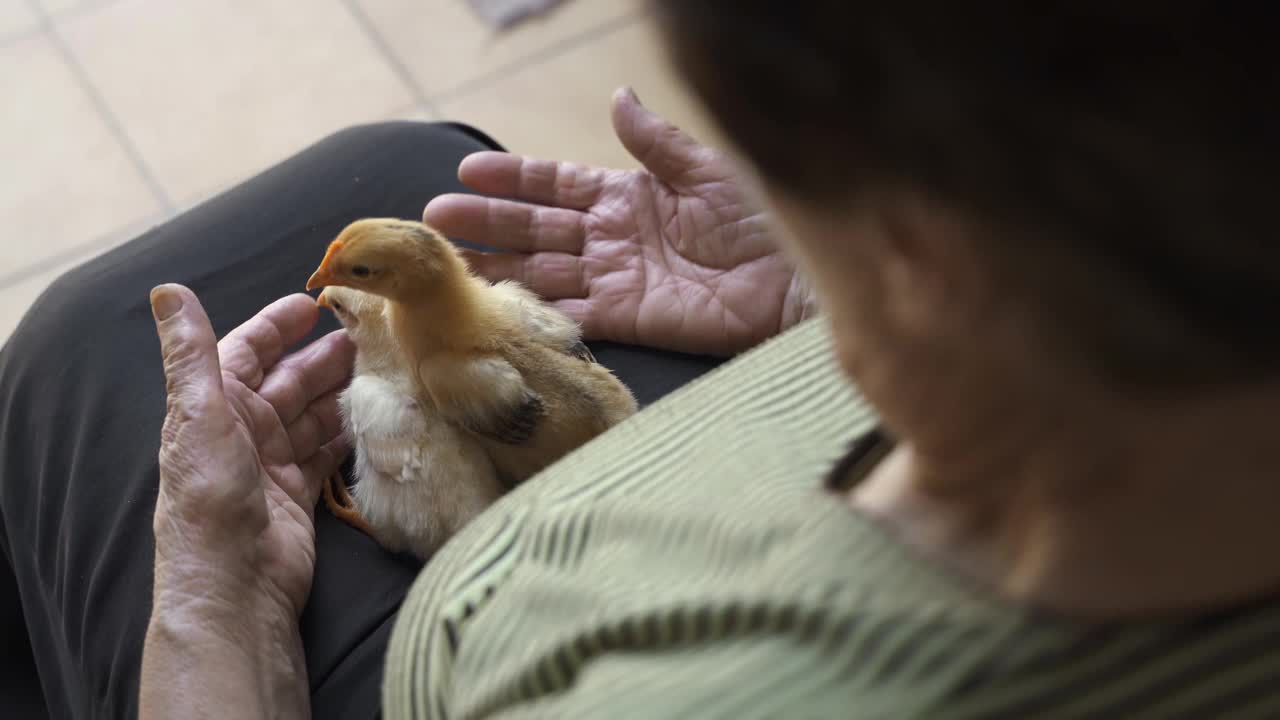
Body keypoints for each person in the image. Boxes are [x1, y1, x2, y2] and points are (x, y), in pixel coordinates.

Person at [5, 2, 1280, 717]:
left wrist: (212, 609)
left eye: (785, 174)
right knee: (409, 165)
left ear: (919, 237)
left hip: (444, 629)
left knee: (85, 353)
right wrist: (817, 299)